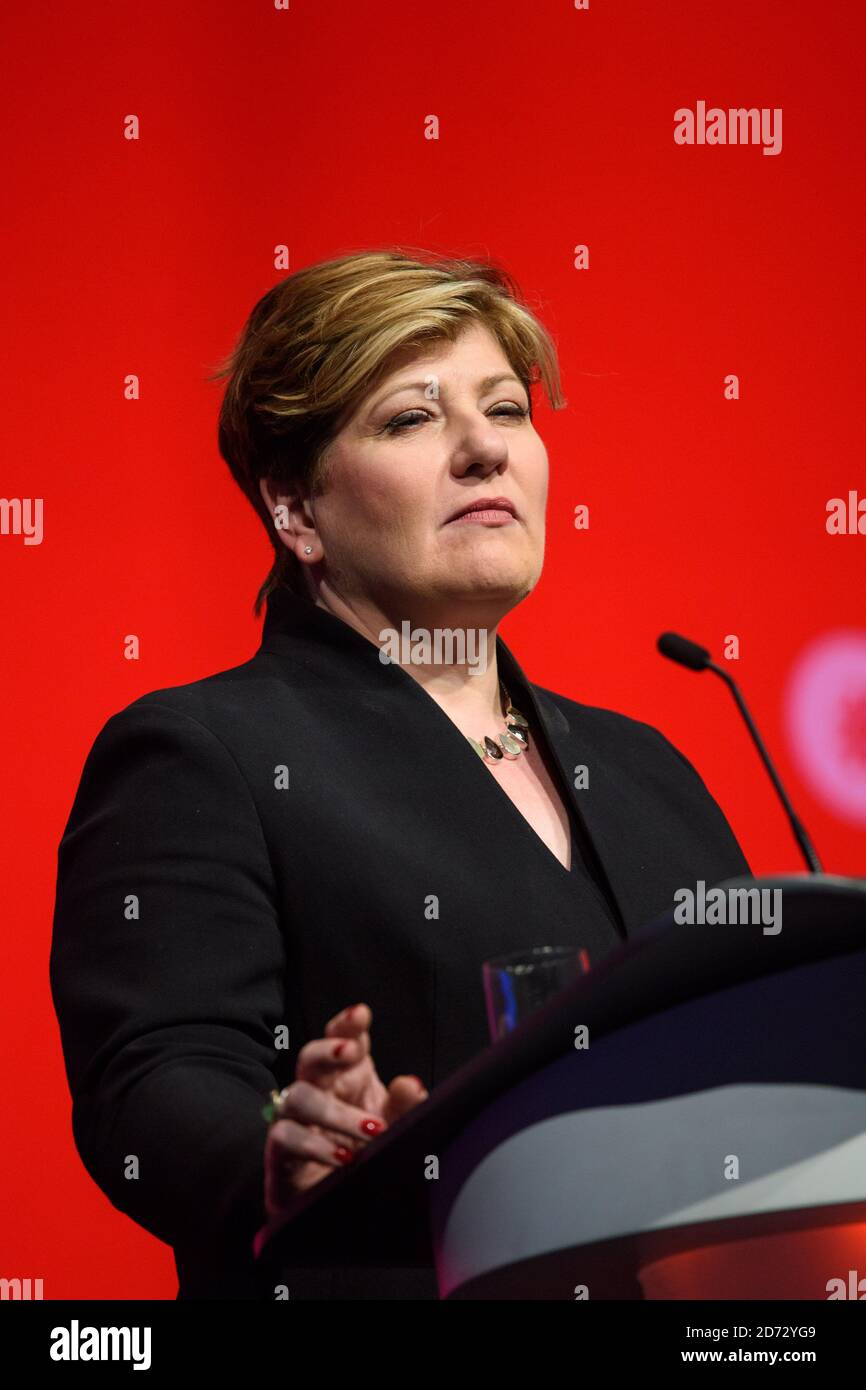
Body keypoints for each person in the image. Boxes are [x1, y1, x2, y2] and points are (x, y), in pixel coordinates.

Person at [49, 247, 751, 1300]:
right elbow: (153, 1083)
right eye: (411, 419)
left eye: (506, 410)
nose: (484, 451)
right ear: (294, 511)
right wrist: (285, 1148)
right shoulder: (206, 754)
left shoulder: (650, 771)